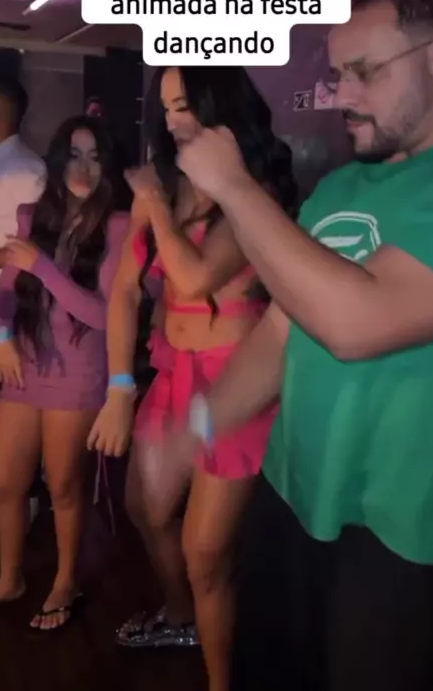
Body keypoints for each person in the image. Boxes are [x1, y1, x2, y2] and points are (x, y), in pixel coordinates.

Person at [140, 0, 433, 691]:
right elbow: (283, 332)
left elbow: (353, 322)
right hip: (291, 497)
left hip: (405, 536)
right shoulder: (339, 187)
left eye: (365, 72)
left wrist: (235, 187)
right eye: (338, 74)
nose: (342, 94)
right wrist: (196, 428)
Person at [87, 66, 297, 691]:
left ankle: (220, 677)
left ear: (220, 106)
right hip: (173, 371)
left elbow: (197, 275)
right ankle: (183, 617)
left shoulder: (252, 188)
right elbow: (126, 292)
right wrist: (119, 387)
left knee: (205, 553)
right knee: (144, 509)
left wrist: (153, 203)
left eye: (186, 105)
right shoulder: (167, 186)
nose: (173, 120)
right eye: (168, 106)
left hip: (236, 385)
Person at [0, 115, 129, 630]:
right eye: (75, 154)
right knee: (3, 483)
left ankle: (66, 580)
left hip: (79, 372)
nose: (83, 168)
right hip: (23, 365)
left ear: (108, 167)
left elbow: (105, 315)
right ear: (59, 158)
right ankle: (10, 578)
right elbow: (2, 293)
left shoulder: (118, 226)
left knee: (64, 485)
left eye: (95, 157)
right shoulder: (32, 217)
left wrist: (43, 267)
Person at [0, 76, 45, 487]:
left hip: (4, 297)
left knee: (13, 394)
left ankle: (25, 489)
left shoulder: (27, 170)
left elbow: (35, 244)